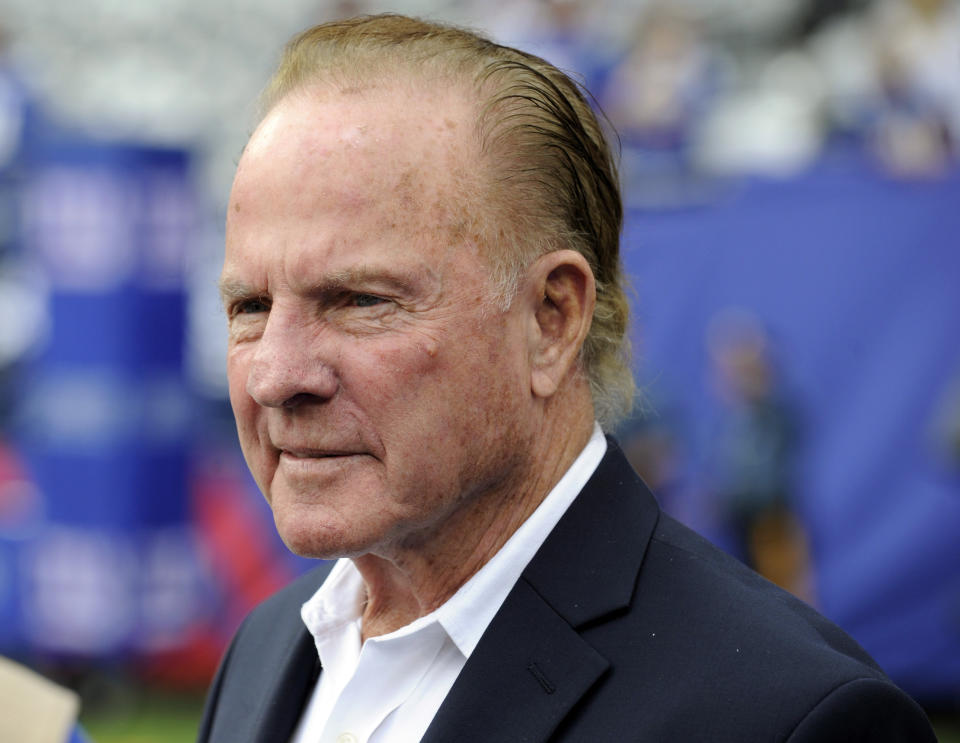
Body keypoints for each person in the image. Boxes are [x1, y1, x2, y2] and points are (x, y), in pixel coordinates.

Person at [198, 14, 936, 742]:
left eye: (359, 300)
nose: (276, 374)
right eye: (250, 305)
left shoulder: (790, 719)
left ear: (551, 319)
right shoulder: (265, 652)